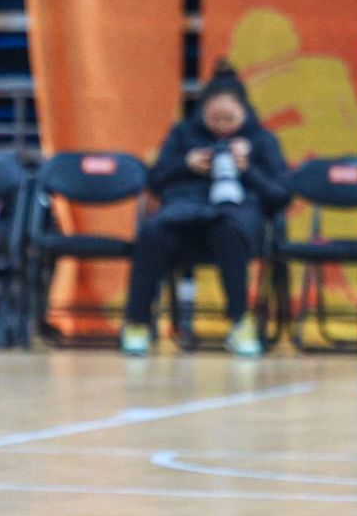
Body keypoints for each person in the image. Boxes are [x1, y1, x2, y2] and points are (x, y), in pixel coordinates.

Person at [121, 60, 290, 357]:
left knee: (227, 231)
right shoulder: (183, 134)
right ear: (202, 112)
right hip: (183, 216)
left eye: (229, 119)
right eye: (214, 119)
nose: (221, 126)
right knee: (152, 232)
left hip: (236, 219)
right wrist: (185, 165)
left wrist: (247, 170)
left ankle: (240, 322)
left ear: (244, 112)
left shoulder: (262, 140)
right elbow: (154, 181)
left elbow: (280, 195)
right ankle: (137, 322)